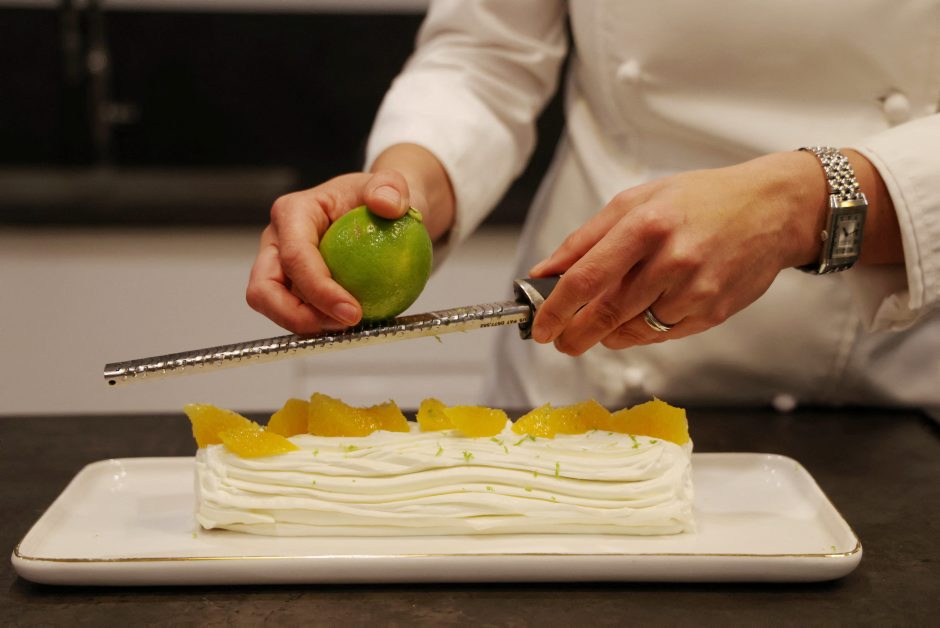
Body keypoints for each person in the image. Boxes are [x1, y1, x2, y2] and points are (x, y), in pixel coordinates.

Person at [246, 1, 940, 416]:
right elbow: (488, 55)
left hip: (896, 392)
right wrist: (404, 186)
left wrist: (803, 205)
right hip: (591, 373)